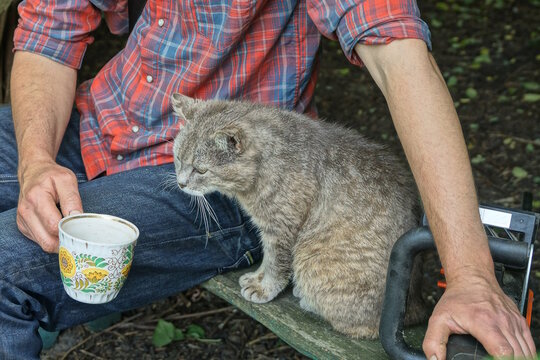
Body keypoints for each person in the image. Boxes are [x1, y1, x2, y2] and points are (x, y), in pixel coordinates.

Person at [0, 0, 535, 359]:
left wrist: (470, 275)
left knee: (6, 267)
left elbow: (399, 55)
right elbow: (51, 28)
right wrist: (36, 163)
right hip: (102, 117)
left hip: (240, 179)